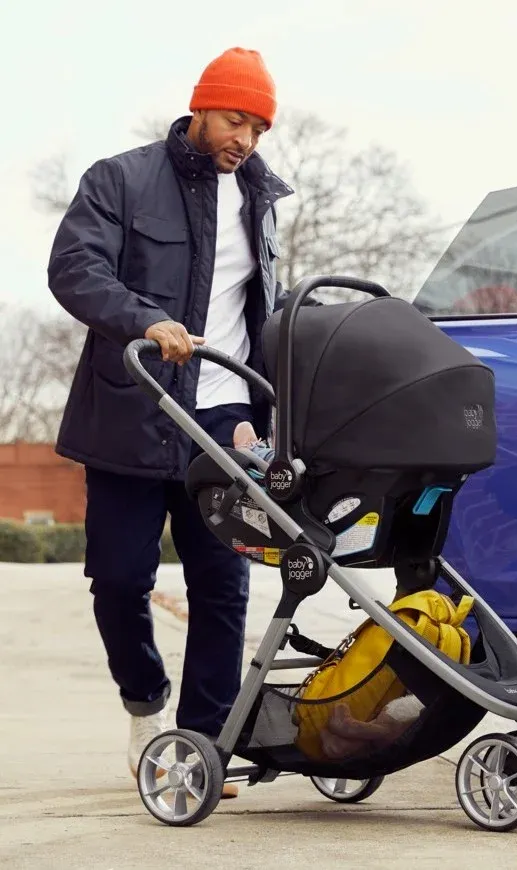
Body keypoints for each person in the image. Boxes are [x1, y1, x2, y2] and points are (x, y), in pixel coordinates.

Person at [47, 47, 294, 799]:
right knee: (119, 580)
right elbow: (74, 269)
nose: (243, 138)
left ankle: (203, 747)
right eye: (232, 118)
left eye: (257, 126)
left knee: (223, 584)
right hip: (134, 407)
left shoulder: (261, 200)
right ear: (199, 108)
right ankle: (146, 706)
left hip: (222, 418)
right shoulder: (119, 179)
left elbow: (258, 312)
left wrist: (268, 409)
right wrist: (145, 320)